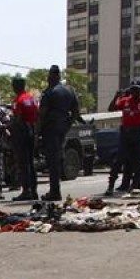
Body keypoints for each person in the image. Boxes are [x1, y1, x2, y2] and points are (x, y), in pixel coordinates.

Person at [104, 80, 140, 196]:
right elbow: (111, 108)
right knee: (119, 160)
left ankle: (137, 187)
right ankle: (110, 186)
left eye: (136, 90)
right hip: (126, 134)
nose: (134, 92)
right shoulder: (125, 101)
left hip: (139, 133)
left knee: (138, 162)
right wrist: (116, 96)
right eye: (132, 90)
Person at [38, 65, 83, 201]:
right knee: (56, 159)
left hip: (51, 128)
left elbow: (42, 114)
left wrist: (36, 132)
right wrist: (67, 124)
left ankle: (54, 192)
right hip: (62, 127)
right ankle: (54, 191)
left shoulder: (49, 92)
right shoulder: (69, 91)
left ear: (52, 76)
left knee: (53, 161)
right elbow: (76, 112)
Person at [10, 76, 40, 201]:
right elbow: (37, 115)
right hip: (32, 131)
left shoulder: (18, 100)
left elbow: (17, 118)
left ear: (16, 86)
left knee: (23, 163)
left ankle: (26, 191)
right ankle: (33, 190)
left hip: (21, 133)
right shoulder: (32, 99)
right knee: (31, 163)